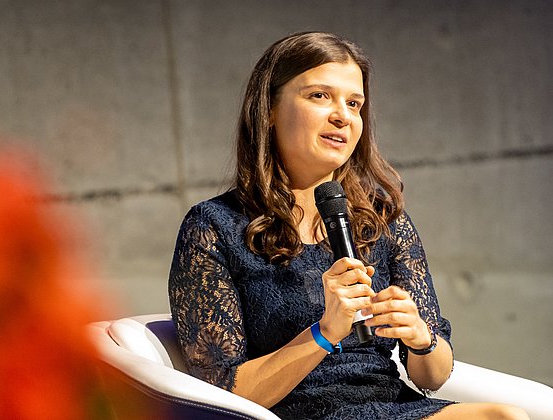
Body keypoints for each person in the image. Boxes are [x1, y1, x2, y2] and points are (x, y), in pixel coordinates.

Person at [168, 32, 528, 419]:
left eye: (354, 103)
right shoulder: (215, 227)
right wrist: (325, 332)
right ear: (269, 109)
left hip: (393, 406)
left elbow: (433, 376)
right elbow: (219, 393)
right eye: (320, 96)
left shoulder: (380, 220)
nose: (342, 115)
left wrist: (420, 338)